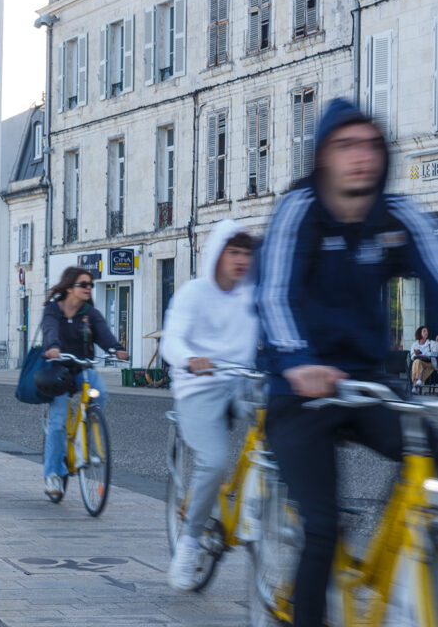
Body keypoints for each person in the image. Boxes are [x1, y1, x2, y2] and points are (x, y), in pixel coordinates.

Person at [255, 98, 438, 627]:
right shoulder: (300, 210)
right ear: (322, 158)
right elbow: (274, 296)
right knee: (322, 526)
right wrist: (296, 363)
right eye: (345, 146)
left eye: (370, 145)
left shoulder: (396, 214)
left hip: (366, 387)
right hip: (301, 392)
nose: (361, 157)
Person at [159, 221, 259, 591]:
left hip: (242, 383)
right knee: (214, 460)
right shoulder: (193, 293)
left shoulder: (252, 296)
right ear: (217, 253)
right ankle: (189, 542)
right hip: (198, 386)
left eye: (247, 253)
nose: (241, 260)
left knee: (285, 433)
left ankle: (259, 504)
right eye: (234, 252)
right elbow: (172, 342)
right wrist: (190, 359)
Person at [39, 267, 130, 498]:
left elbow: (104, 334)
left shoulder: (90, 313)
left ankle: (87, 429)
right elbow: (50, 331)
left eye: (90, 284)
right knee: (58, 422)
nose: (88, 288)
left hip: (82, 367)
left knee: (100, 392)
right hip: (58, 368)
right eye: (83, 284)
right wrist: (53, 348)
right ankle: (52, 475)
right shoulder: (53, 310)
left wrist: (116, 349)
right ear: (70, 287)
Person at [410, 326, 436, 392]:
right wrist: (417, 355)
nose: (426, 333)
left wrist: (437, 342)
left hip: (430, 363)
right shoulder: (414, 345)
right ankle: (419, 380)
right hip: (420, 362)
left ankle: (414, 386)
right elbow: (412, 356)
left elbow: (436, 353)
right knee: (417, 361)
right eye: (424, 331)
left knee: (416, 363)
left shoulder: (431, 343)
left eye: (427, 331)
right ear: (420, 333)